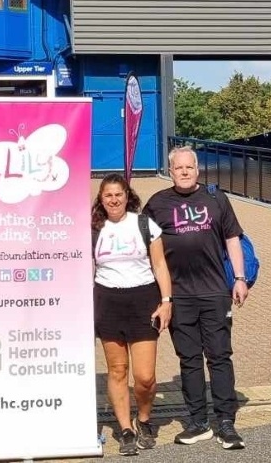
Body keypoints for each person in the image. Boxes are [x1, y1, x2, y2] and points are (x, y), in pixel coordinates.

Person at [143, 146, 249, 451]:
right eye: (179, 168)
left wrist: (239, 278)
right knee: (188, 360)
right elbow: (142, 242)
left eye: (189, 167)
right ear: (171, 171)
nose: (185, 172)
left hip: (215, 292)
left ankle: (226, 422)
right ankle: (198, 422)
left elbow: (232, 239)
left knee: (219, 356)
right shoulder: (158, 204)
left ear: (197, 170)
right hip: (178, 296)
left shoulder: (217, 199)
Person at [92, 173, 173, 456]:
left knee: (145, 377)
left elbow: (160, 265)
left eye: (119, 194)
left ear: (128, 196)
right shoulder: (93, 229)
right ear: (101, 200)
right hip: (107, 301)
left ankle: (144, 418)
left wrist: (166, 301)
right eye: (108, 195)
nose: (114, 200)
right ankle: (126, 428)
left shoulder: (144, 224)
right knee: (117, 371)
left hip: (143, 300)